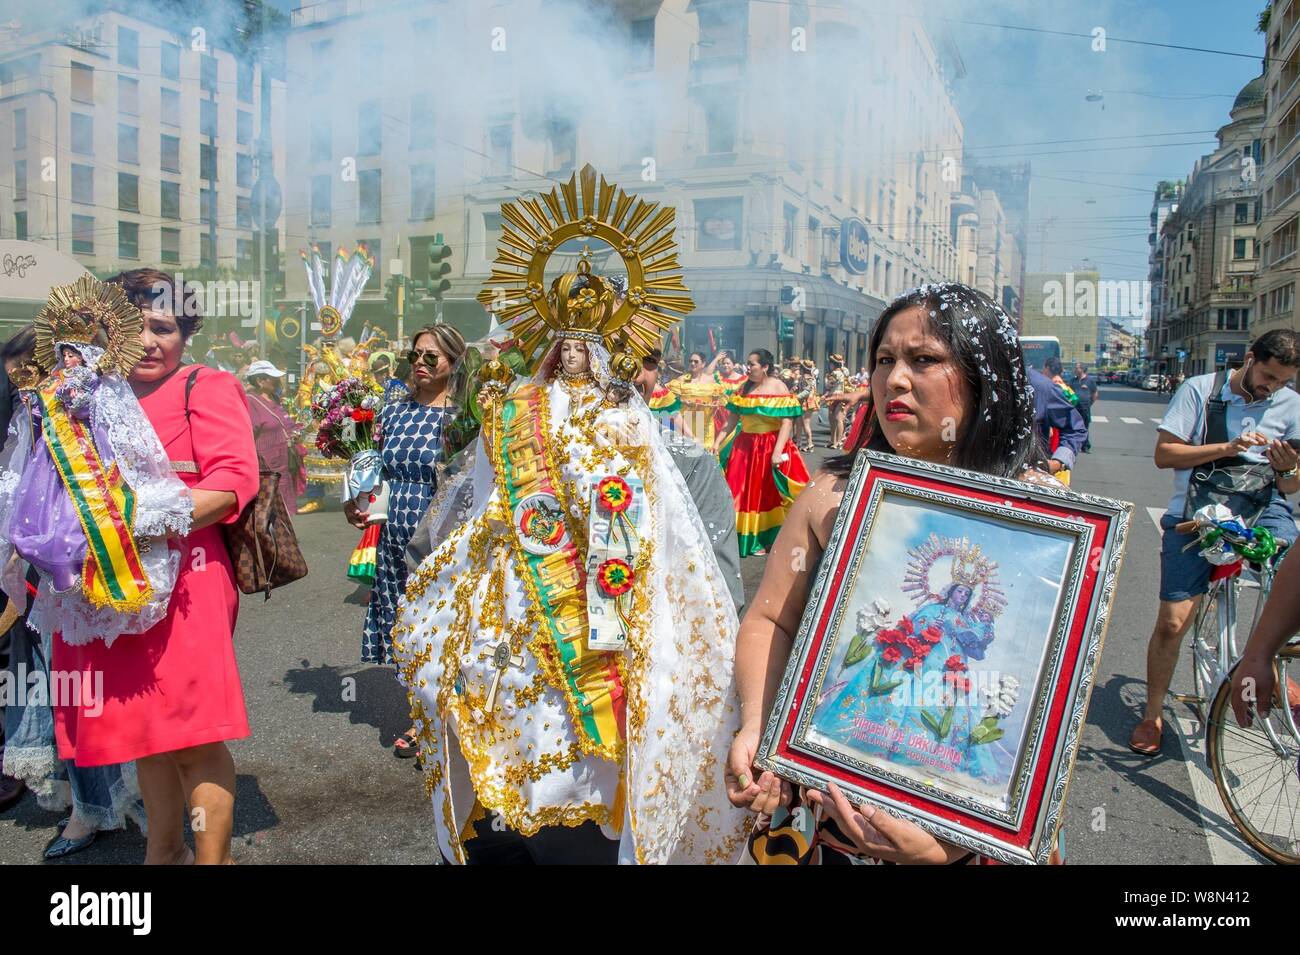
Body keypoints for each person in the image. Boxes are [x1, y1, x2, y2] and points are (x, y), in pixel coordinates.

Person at [392, 254, 746, 864]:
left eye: (591, 346)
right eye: (565, 346)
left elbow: (717, 590)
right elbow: (441, 538)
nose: (572, 359)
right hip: (507, 700)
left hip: (616, 706)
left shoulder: (677, 455)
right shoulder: (507, 432)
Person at [725, 283, 1063, 864]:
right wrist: (760, 725)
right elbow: (770, 620)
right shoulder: (831, 494)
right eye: (884, 360)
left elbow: (1043, 692)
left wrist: (950, 846)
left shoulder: (1042, 521)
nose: (894, 380)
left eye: (924, 360)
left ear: (986, 377)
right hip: (828, 811)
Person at [48, 268, 260, 865]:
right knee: (147, 736)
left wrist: (129, 524)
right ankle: (162, 855)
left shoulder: (206, 385)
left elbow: (231, 484)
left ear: (186, 334)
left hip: (186, 585)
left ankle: (211, 860)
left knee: (192, 738)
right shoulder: (86, 396)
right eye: (133, 326)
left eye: (163, 327)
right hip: (107, 593)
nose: (148, 341)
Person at [1130, 330, 1300, 756]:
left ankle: (1271, 658)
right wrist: (1226, 446)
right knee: (1172, 621)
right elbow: (1165, 454)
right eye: (1267, 377)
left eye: (1282, 382)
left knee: (1289, 576)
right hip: (1198, 510)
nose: (1272, 388)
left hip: (1263, 506)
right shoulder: (1199, 390)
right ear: (1249, 358)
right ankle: (1152, 714)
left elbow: (1292, 487)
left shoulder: (1292, 407)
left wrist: (1289, 468)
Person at [344, 324, 464, 759]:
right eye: (415, 353)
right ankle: (421, 714)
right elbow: (375, 468)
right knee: (404, 626)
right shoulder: (394, 411)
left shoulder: (464, 416)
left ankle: (439, 724)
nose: (420, 361)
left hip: (440, 533)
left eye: (432, 355)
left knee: (440, 626)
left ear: (453, 360)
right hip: (393, 531)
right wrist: (357, 501)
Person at [717, 349, 809, 558]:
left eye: (753, 364)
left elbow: (787, 422)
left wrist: (777, 452)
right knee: (740, 493)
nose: (747, 367)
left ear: (765, 367)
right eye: (747, 363)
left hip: (769, 446)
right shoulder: (743, 388)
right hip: (745, 447)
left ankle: (767, 538)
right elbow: (732, 420)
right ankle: (744, 537)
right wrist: (717, 442)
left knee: (765, 494)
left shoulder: (778, 386)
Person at [243, 359, 306, 515]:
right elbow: (247, 434)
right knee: (269, 510)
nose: (278, 382)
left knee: (284, 507)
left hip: (284, 463)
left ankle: (285, 537)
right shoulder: (251, 402)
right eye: (273, 378)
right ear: (260, 380)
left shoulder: (275, 399)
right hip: (266, 466)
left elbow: (285, 423)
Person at [669, 349, 726, 451]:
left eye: (696, 361)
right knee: (686, 452)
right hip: (685, 422)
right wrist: (683, 402)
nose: (692, 363)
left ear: (703, 364)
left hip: (705, 423)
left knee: (704, 453)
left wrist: (714, 405)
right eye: (690, 361)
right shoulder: (681, 380)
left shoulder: (711, 381)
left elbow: (716, 402)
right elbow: (670, 401)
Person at [823, 353, 851, 449]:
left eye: (830, 364)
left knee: (837, 419)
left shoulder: (835, 373)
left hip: (837, 396)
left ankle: (837, 441)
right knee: (834, 420)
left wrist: (826, 380)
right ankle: (833, 441)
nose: (829, 366)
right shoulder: (841, 372)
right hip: (835, 395)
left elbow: (829, 385)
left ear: (833, 364)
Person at [1070, 363, 1098, 453]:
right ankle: (1074, 445)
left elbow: (1095, 394)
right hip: (1074, 408)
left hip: (1085, 408)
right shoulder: (1073, 380)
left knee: (1084, 427)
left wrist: (1089, 403)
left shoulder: (1089, 381)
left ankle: (1085, 446)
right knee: (1073, 427)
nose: (1075, 369)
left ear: (1082, 369)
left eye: (1077, 368)